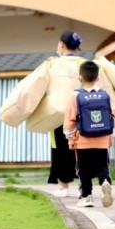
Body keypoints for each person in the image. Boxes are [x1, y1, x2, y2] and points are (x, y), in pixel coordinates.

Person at [63, 60, 115, 208]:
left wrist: (70, 138)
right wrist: (110, 137)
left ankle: (87, 196)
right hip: (102, 140)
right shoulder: (105, 95)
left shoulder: (75, 96)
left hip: (83, 140)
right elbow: (111, 117)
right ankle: (105, 180)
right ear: (98, 78)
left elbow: (70, 121)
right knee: (102, 166)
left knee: (84, 170)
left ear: (80, 78)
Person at [48, 31, 85, 197]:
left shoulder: (53, 64)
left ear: (61, 44)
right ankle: (84, 185)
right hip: (82, 112)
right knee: (81, 148)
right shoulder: (84, 63)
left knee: (61, 148)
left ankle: (64, 186)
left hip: (59, 112)